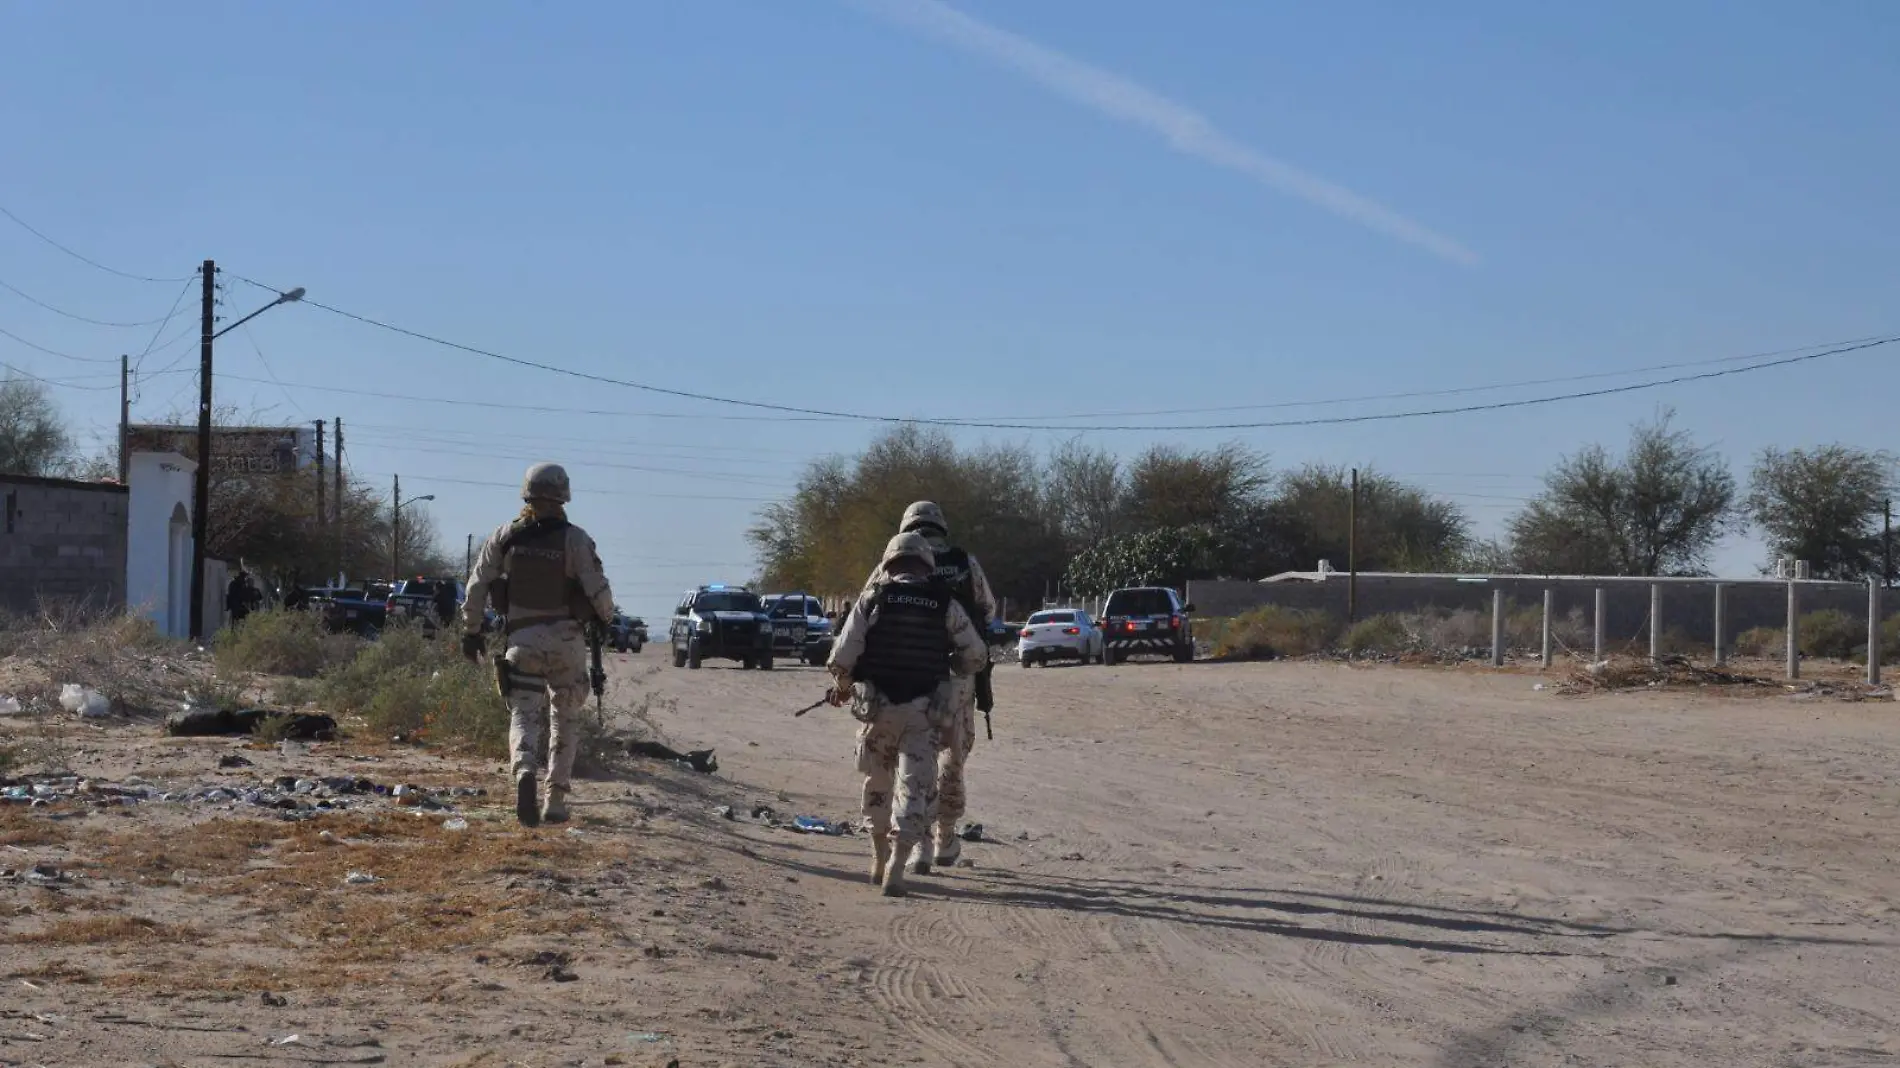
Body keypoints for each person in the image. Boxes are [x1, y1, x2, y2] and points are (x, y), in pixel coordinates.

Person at [828, 532, 987, 897]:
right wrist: (952, 664)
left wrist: (843, 684)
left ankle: (878, 856)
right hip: (922, 712)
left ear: (889, 562)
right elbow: (975, 655)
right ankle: (899, 865)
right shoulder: (943, 602)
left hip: (878, 710)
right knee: (915, 787)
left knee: (878, 782)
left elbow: (840, 658)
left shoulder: (874, 598)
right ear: (926, 564)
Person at [461, 463, 616, 828]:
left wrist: (471, 631)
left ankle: (524, 772)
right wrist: (606, 619)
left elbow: (476, 585)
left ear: (526, 494)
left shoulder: (505, 536)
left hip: (523, 638)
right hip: (567, 641)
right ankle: (556, 799)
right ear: (563, 496)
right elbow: (598, 591)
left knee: (522, 713)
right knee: (565, 717)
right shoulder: (575, 539)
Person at [862, 501, 997, 875]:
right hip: (958, 678)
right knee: (952, 759)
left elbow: (865, 608)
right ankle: (945, 837)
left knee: (908, 759)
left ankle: (915, 844)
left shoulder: (892, 563)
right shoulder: (964, 562)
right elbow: (988, 610)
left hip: (904, 678)